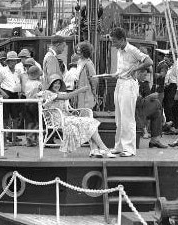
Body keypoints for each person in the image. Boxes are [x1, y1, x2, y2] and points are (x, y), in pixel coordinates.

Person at [40, 74, 117, 158]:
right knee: (89, 123)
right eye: (55, 83)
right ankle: (104, 149)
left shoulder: (58, 93)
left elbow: (65, 104)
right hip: (57, 120)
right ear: (50, 84)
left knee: (91, 122)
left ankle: (95, 149)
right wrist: (80, 90)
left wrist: (70, 114)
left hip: (66, 117)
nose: (57, 85)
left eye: (58, 83)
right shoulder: (47, 93)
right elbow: (66, 97)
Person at [109, 27, 154, 157]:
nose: (113, 44)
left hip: (129, 85)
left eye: (115, 41)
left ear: (122, 40)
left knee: (127, 117)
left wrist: (136, 69)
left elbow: (149, 61)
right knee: (119, 117)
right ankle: (119, 146)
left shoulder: (132, 50)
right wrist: (116, 74)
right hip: (120, 82)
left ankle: (129, 149)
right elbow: (122, 68)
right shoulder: (119, 50)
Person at [0, 51, 22, 144]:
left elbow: (19, 82)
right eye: (11, 61)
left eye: (14, 61)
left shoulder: (18, 71)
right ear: (8, 62)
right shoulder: (2, 71)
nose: (13, 63)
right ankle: (4, 140)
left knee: (15, 117)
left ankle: (14, 139)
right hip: (6, 93)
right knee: (5, 118)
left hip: (15, 94)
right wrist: (3, 93)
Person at [21, 66, 43, 146]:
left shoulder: (27, 83)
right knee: (38, 121)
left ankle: (30, 140)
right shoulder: (38, 84)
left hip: (27, 102)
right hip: (35, 103)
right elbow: (42, 92)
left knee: (30, 122)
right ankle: (31, 135)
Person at [74, 41, 98, 109]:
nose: (78, 52)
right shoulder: (79, 61)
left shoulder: (88, 64)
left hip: (86, 93)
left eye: (79, 50)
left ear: (84, 51)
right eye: (77, 50)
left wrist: (94, 92)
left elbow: (94, 79)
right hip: (79, 91)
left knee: (85, 111)